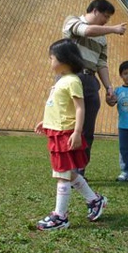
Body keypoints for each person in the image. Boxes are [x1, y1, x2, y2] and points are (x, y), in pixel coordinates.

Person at [34, 38, 107, 231]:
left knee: (62, 175)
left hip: (66, 133)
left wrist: (76, 132)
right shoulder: (61, 81)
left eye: (52, 58)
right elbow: (58, 106)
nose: (50, 61)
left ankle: (60, 216)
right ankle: (95, 200)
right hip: (57, 131)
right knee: (69, 173)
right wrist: (46, 122)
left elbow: (80, 108)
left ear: (64, 59)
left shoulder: (73, 81)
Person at [62, 0, 127, 176]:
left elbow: (101, 63)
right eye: (105, 16)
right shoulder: (73, 21)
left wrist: (108, 88)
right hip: (71, 77)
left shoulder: (103, 38)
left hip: (90, 81)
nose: (106, 21)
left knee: (86, 129)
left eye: (109, 19)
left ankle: (79, 170)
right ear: (95, 10)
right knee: (67, 125)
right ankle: (64, 167)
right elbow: (87, 31)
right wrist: (114, 29)